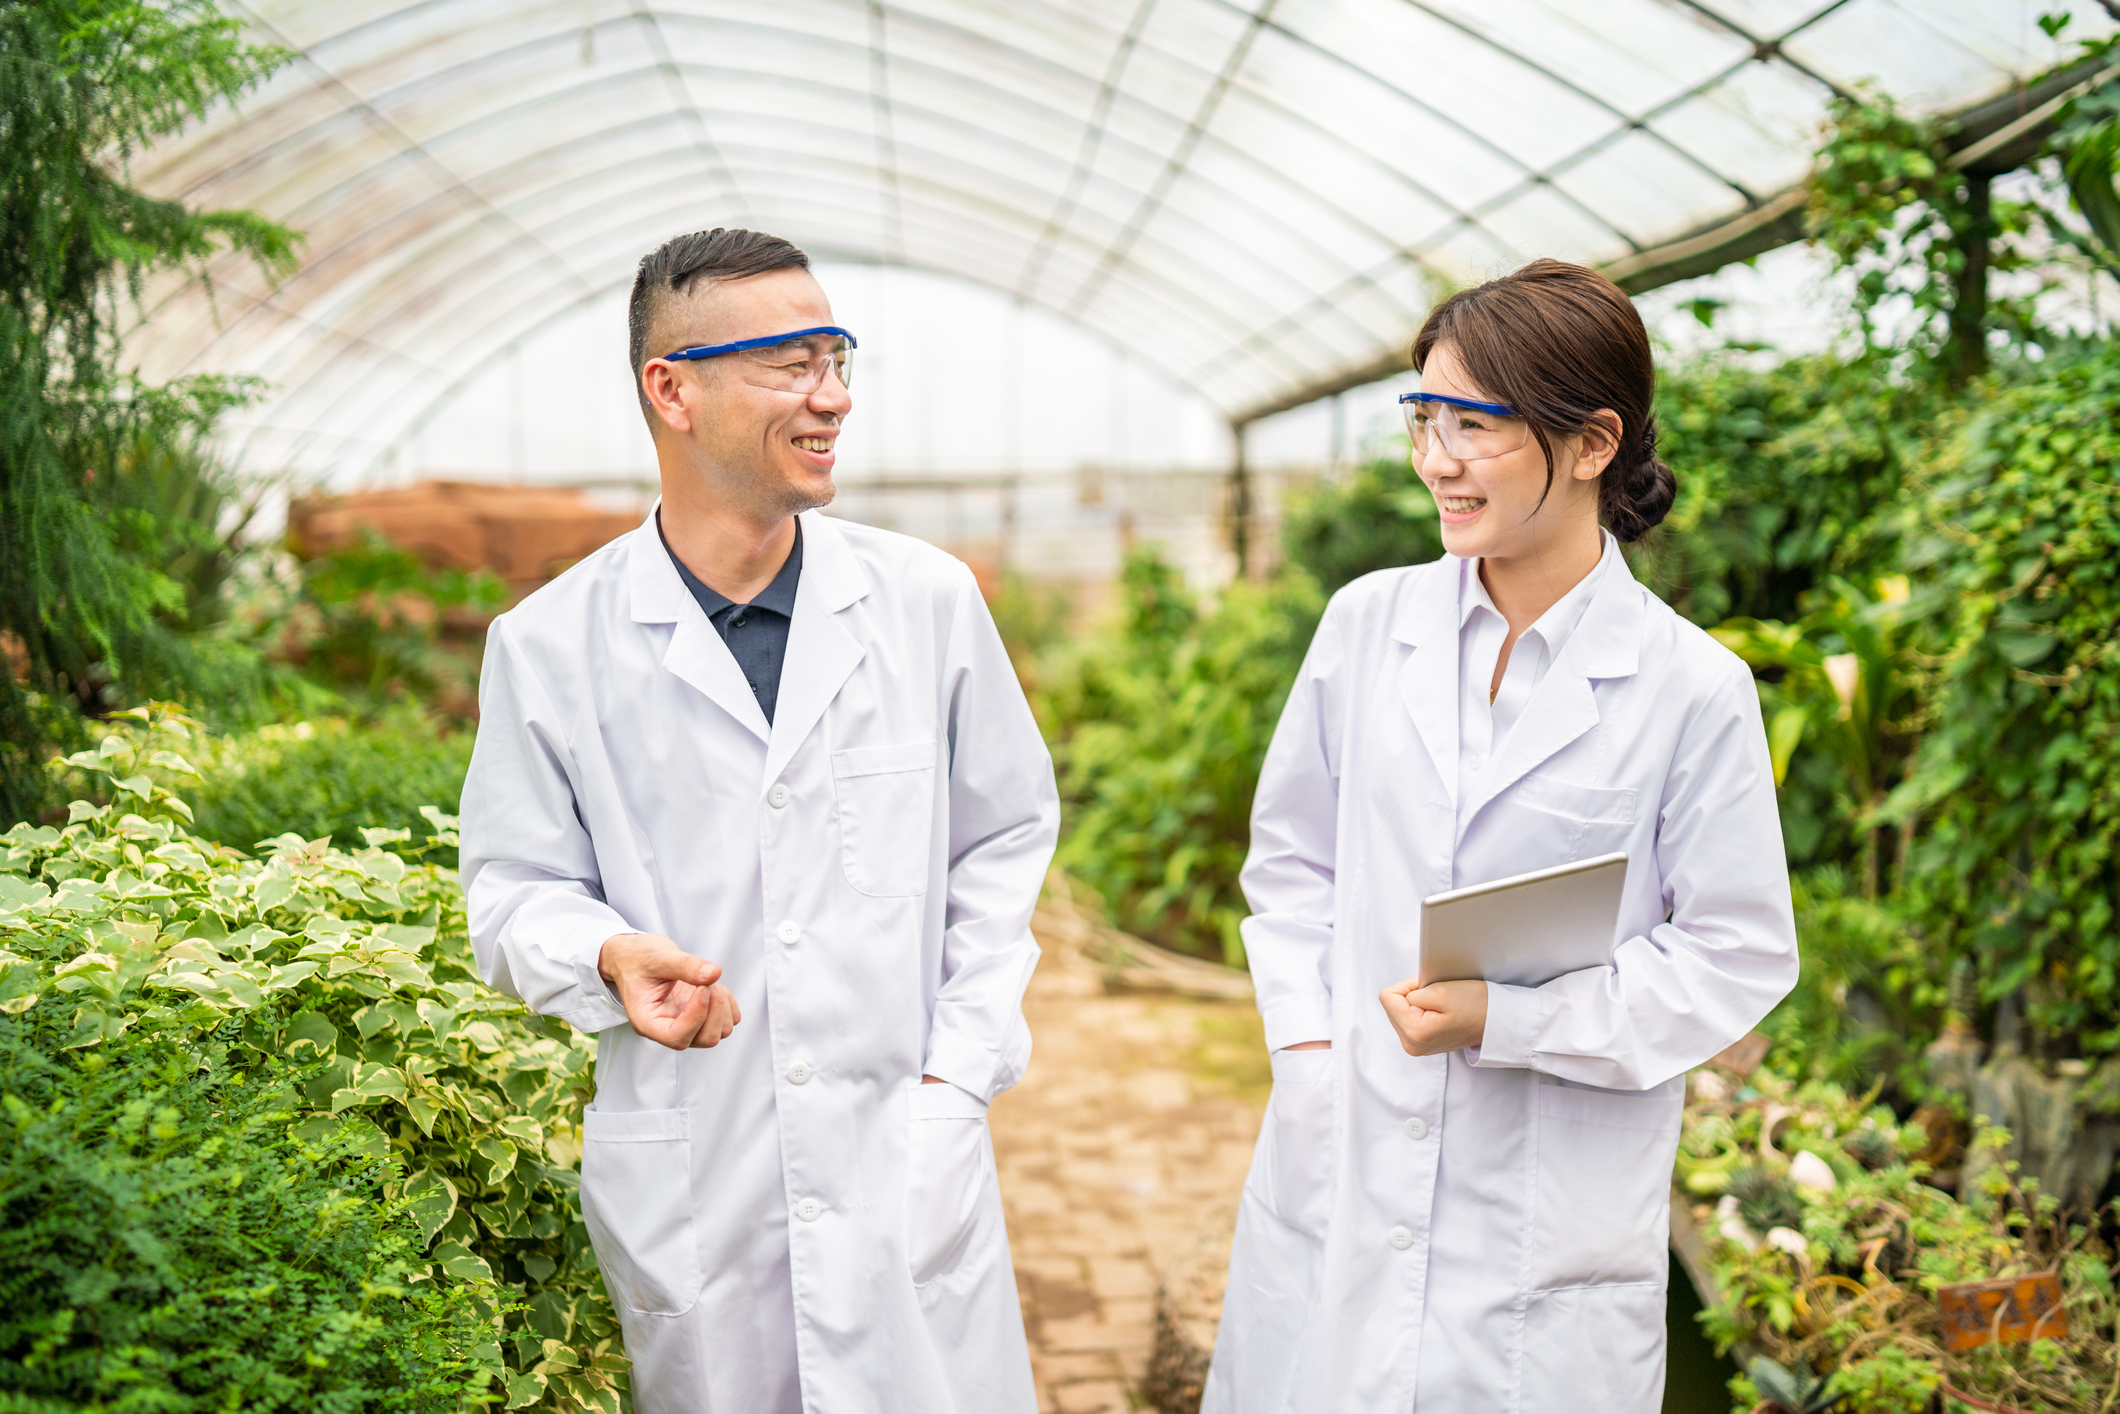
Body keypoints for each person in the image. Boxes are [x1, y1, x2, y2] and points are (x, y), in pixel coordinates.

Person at [460, 228, 1057, 1414]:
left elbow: (1001, 841)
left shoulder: (923, 601)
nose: (831, 395)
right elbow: (511, 888)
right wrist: (606, 953)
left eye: (836, 356)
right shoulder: (547, 645)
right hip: (698, 1161)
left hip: (904, 1138)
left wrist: (956, 1070)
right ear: (669, 388)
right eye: (789, 363)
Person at [1202, 259, 1798, 1413]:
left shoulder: (1690, 686)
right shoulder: (1366, 626)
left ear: (1590, 444)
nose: (1436, 459)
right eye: (1422, 417)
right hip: (1348, 1149)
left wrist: (1511, 1020)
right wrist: (1311, 1056)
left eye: (1473, 425)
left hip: (1543, 1218)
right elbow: (1291, 865)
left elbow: (1733, 951)